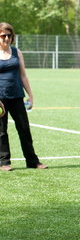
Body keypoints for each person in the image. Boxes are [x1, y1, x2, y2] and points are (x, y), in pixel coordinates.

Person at [0, 22, 47, 171]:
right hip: (0, 99)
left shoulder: (16, 52)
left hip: (17, 96)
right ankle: (4, 162)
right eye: (3, 36)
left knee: (24, 129)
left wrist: (30, 95)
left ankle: (32, 161)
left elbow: (23, 75)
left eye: (9, 35)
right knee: (1, 131)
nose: (6, 38)